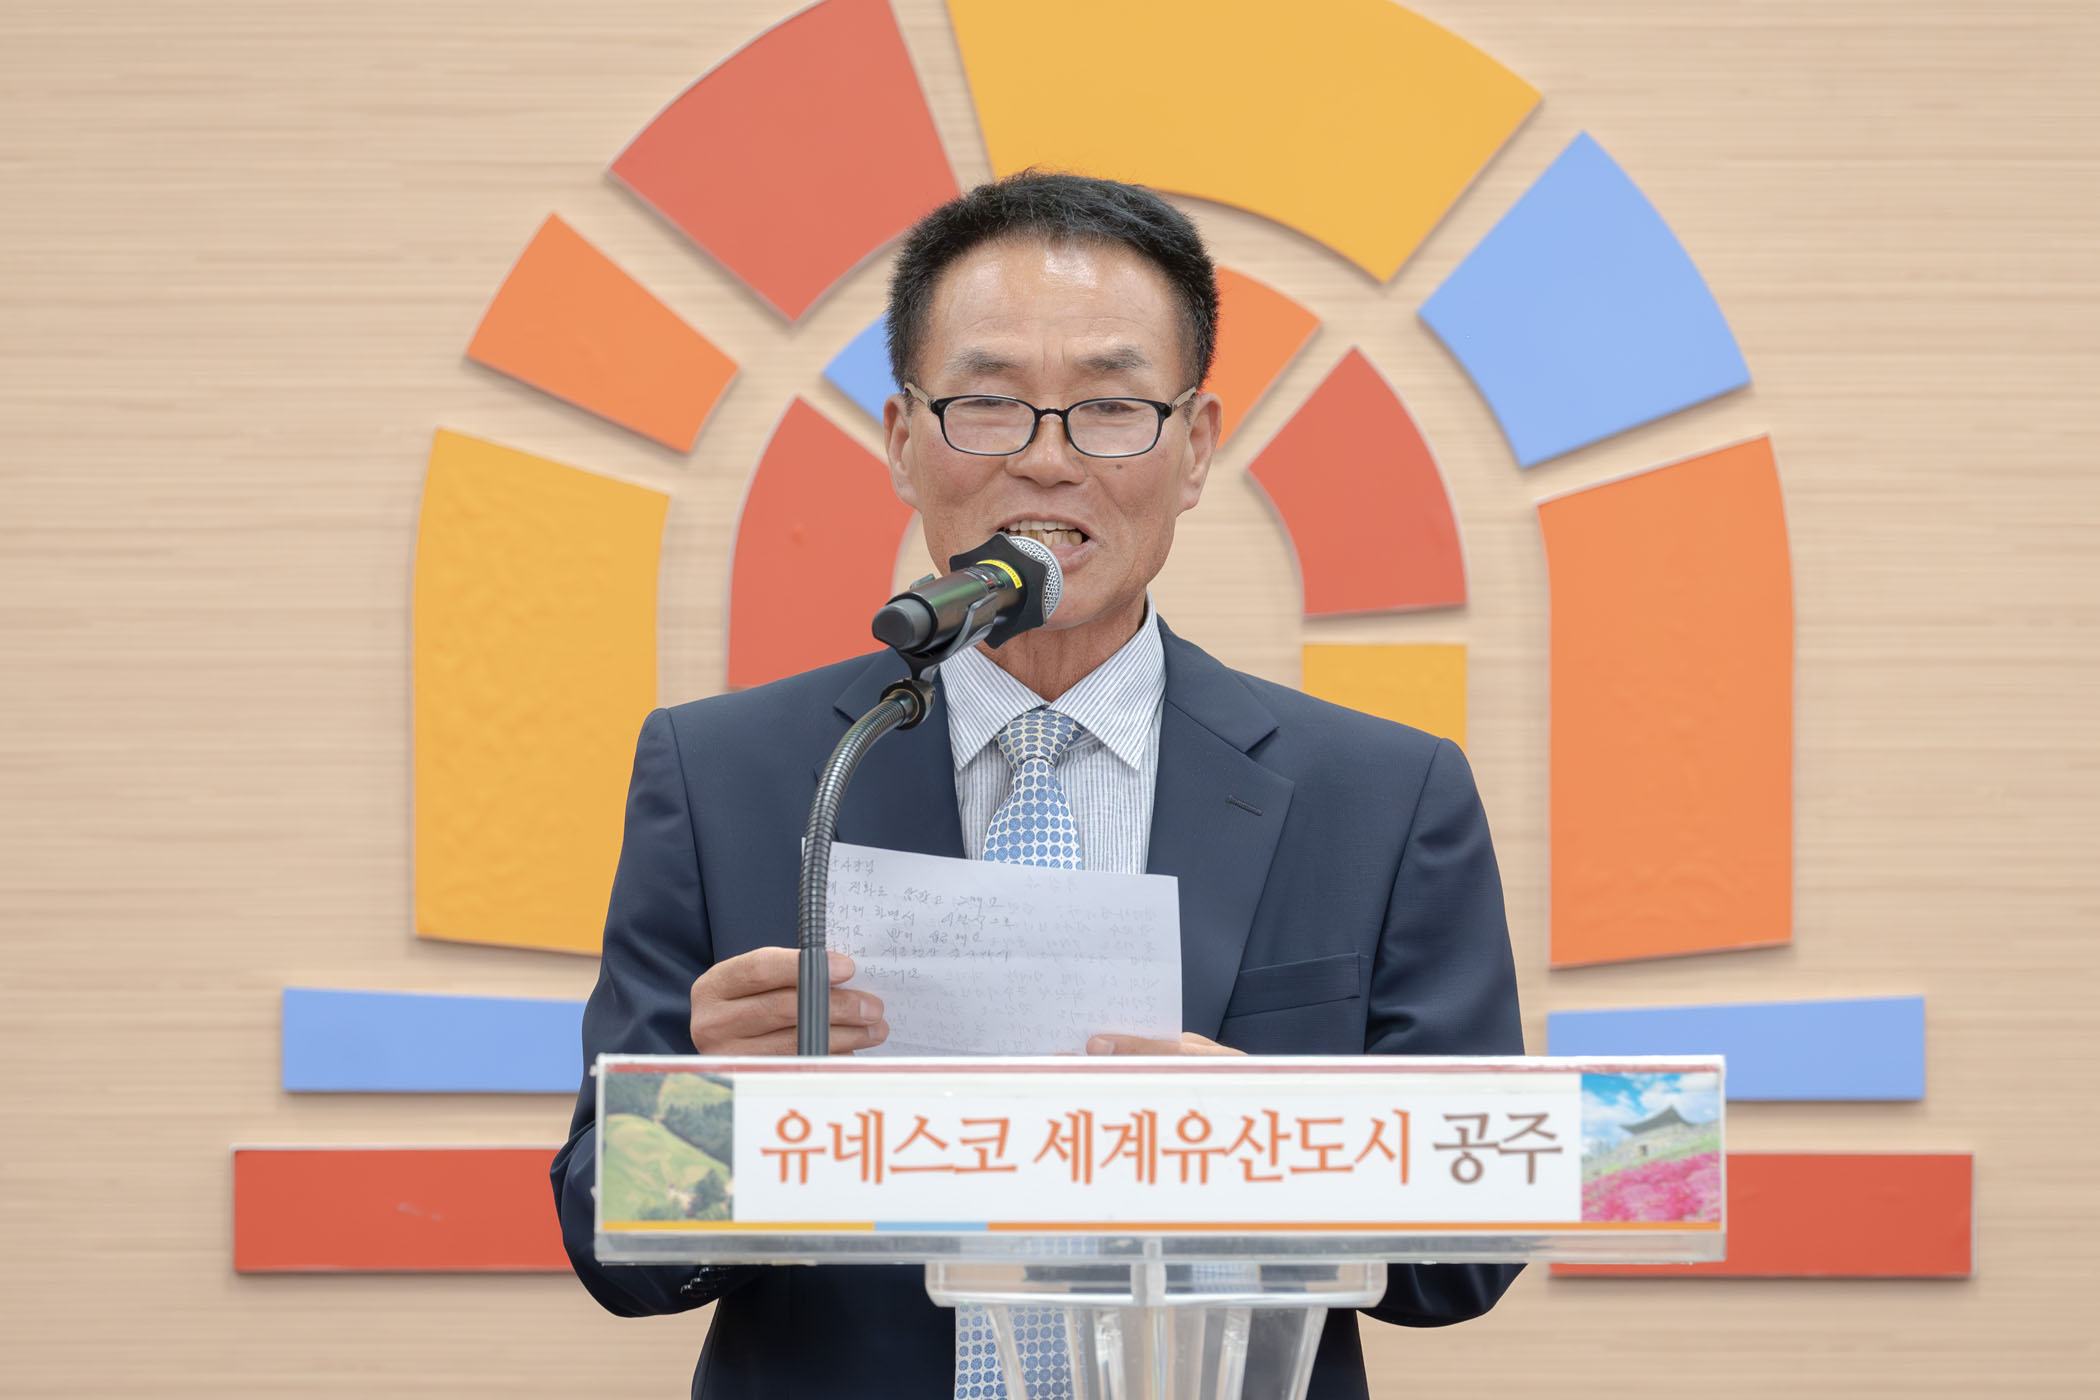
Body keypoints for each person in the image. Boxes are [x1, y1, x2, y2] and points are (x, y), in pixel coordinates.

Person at [551, 172, 1524, 1400]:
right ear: (902, 439)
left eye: (1111, 406)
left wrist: (1275, 1145)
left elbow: (1472, 1249)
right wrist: (715, 1115)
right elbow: (612, 1251)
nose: (1049, 460)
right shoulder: (725, 774)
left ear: (1196, 446)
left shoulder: (1383, 795)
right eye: (989, 404)